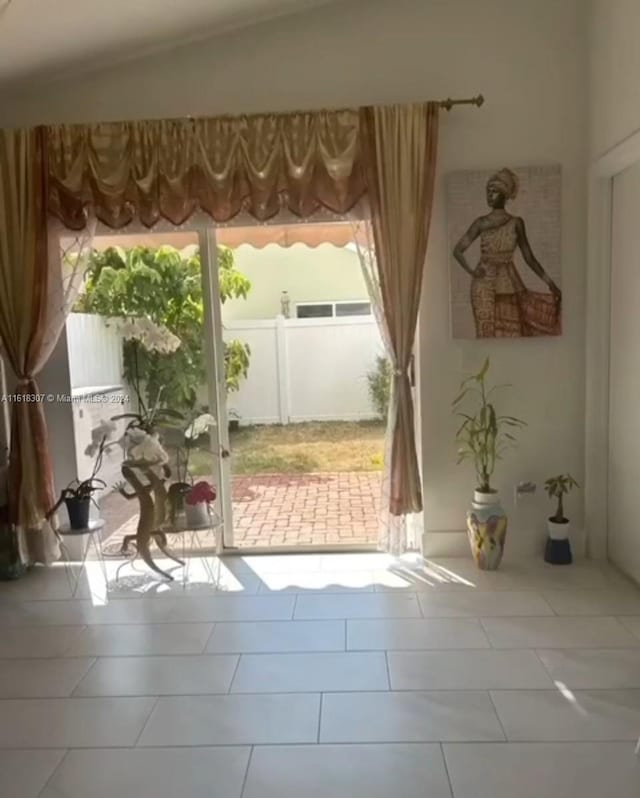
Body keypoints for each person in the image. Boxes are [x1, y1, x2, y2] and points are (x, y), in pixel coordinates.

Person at [453, 168, 561, 337]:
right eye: (488, 191)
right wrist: (472, 271)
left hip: (509, 281)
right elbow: (458, 251)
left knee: (512, 332)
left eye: (494, 191)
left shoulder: (516, 223)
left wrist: (550, 283)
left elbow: (529, 258)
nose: (489, 195)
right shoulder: (481, 223)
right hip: (483, 286)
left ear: (504, 194)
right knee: (485, 335)